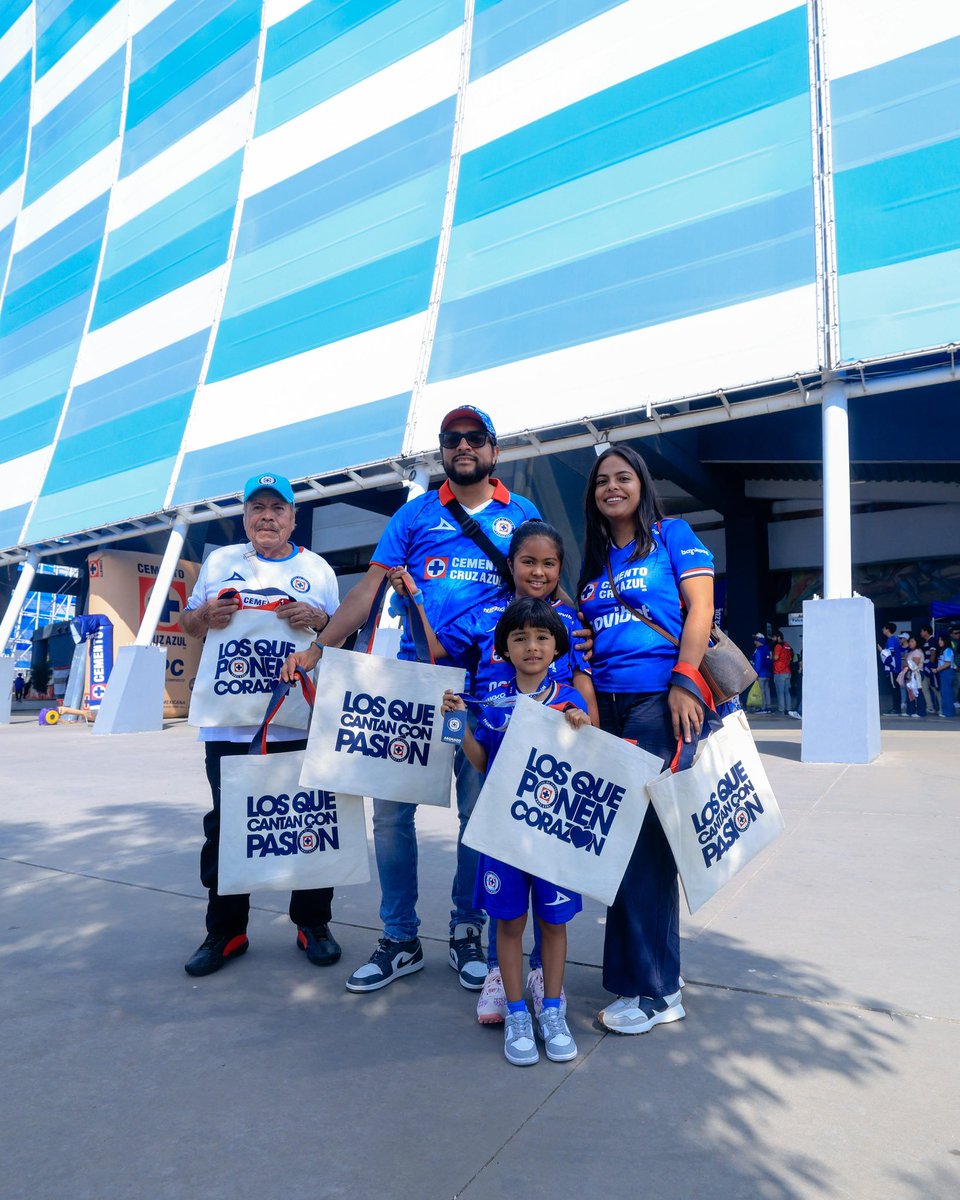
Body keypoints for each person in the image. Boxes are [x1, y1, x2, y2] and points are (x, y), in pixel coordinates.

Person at [282, 407, 541, 994]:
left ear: (494, 450)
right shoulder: (415, 514)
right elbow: (367, 592)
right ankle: (399, 938)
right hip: (412, 693)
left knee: (479, 819)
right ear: (442, 451)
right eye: (453, 440)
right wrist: (319, 648)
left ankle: (466, 933)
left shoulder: (521, 515)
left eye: (476, 438)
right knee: (394, 817)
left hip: (487, 696)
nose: (464, 447)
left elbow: (541, 590)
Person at [391, 519, 597, 1022]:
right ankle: (494, 975)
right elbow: (440, 653)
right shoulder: (484, 614)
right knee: (502, 882)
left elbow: (583, 686)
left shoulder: (571, 621)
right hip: (495, 756)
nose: (538, 572)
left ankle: (543, 984)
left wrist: (587, 732)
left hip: (551, 781)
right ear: (511, 564)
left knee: (547, 890)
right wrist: (414, 602)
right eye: (528, 561)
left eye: (549, 563)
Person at [181, 472, 342, 977]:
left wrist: (316, 618)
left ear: (294, 517)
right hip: (230, 723)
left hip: (296, 719)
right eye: (258, 507)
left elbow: (338, 635)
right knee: (227, 824)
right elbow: (187, 624)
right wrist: (206, 615)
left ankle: (312, 922)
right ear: (244, 517)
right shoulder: (219, 561)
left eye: (277, 507)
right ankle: (225, 930)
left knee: (306, 818)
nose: (267, 515)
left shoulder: (316, 568)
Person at [577, 445, 714, 1034]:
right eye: (602, 481)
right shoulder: (594, 558)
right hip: (604, 709)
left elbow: (701, 606)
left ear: (642, 484)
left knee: (649, 846)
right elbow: (587, 636)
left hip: (659, 703)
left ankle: (661, 990)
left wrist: (684, 680)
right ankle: (633, 980)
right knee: (619, 843)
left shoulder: (672, 534)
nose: (612, 487)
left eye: (623, 477)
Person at [442, 597, 590, 1066]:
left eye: (542, 637)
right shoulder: (492, 703)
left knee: (554, 922)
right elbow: (482, 763)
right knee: (509, 923)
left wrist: (580, 729)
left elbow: (588, 762)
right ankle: (517, 1011)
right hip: (504, 837)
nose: (531, 646)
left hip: (551, 839)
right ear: (503, 648)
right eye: (520, 638)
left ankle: (553, 1008)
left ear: (557, 647)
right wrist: (458, 724)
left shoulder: (570, 701)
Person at [877, 623, 901, 715]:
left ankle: (896, 709)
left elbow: (890, 655)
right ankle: (896, 708)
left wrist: (881, 650)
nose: (883, 630)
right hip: (895, 668)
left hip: (892, 668)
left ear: (887, 629)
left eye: (883, 628)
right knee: (895, 688)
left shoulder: (891, 640)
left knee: (894, 688)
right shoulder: (894, 639)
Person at [771, 631, 793, 715]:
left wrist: (771, 657)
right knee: (787, 692)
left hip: (779, 672)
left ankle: (781, 710)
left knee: (780, 692)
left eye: (774, 637)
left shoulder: (778, 646)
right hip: (787, 671)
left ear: (778, 637)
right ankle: (789, 709)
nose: (773, 639)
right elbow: (791, 657)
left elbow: (776, 657)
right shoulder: (787, 645)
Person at [935, 632, 956, 718]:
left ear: (945, 641)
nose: (939, 641)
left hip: (946, 672)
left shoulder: (947, 650)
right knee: (946, 692)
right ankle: (949, 711)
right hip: (944, 673)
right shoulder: (944, 650)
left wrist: (937, 670)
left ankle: (947, 712)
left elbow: (947, 663)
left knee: (946, 693)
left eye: (941, 640)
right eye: (939, 640)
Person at [752, 634, 773, 713]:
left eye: (756, 641)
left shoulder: (759, 650)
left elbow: (758, 663)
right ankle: (768, 707)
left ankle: (763, 708)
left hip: (761, 674)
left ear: (759, 642)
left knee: (762, 691)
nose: (755, 642)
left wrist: (756, 673)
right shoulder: (767, 649)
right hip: (767, 673)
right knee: (767, 690)